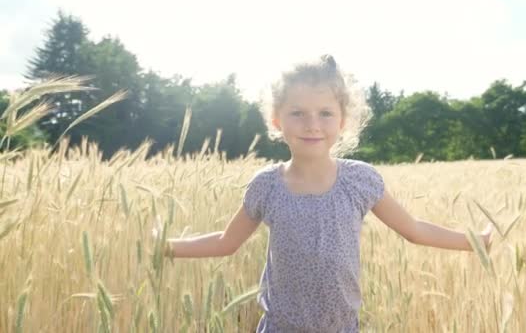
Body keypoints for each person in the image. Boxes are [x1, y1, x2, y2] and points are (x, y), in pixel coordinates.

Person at [158, 54, 493, 332]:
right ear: (277, 120)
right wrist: (164, 248)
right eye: (298, 113)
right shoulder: (267, 185)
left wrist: (475, 241)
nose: (312, 124)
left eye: (326, 113)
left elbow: (414, 229)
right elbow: (225, 243)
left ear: (343, 121)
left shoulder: (359, 181)